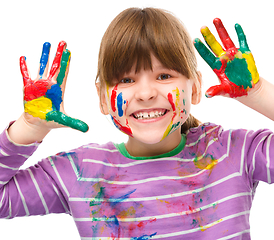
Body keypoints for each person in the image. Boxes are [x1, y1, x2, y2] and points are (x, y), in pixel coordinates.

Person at [0, 7, 273, 239]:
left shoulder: (232, 152)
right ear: (103, 98)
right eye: (127, 80)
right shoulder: (81, 171)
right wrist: (30, 126)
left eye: (165, 76)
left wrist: (258, 92)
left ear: (195, 88)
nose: (145, 93)